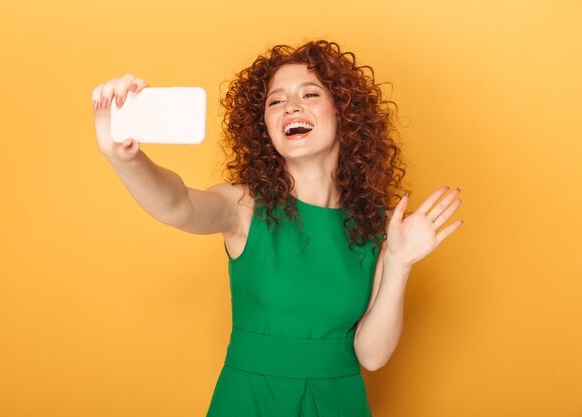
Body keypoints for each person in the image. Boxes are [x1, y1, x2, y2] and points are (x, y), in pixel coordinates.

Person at [91, 40, 464, 416]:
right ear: (265, 126)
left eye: (310, 93)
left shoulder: (380, 226)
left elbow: (372, 355)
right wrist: (123, 157)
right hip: (251, 401)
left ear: (344, 113)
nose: (291, 107)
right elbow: (177, 204)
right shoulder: (243, 207)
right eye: (276, 101)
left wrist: (399, 262)